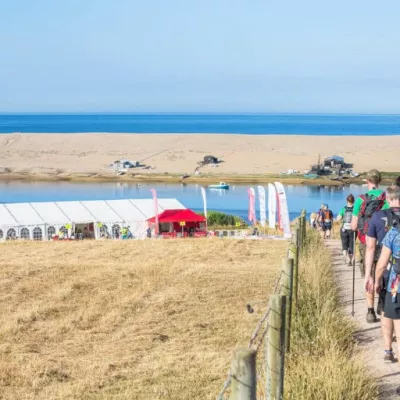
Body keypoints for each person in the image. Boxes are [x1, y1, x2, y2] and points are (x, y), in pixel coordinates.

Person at [366, 185, 400, 360]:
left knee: (389, 312)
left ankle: (388, 349)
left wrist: (373, 277)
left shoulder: (380, 219)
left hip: (393, 278)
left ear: (388, 199)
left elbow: (372, 249)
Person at [351, 169, 389, 323]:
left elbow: (354, 226)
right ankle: (383, 305)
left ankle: (370, 310)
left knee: (369, 274)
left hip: (366, 241)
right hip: (385, 242)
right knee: (384, 273)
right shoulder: (387, 197)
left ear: (367, 181)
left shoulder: (360, 199)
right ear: (379, 180)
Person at [337, 194, 355, 266]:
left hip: (344, 228)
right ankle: (349, 260)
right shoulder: (355, 209)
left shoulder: (343, 209)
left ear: (346, 201)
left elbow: (338, 218)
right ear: (353, 201)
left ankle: (344, 255)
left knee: (344, 244)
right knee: (351, 245)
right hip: (352, 229)